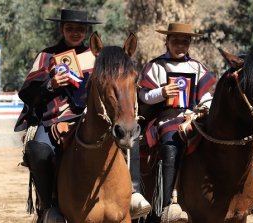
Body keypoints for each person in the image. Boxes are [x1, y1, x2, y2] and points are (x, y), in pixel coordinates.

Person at [14, 9, 150, 222]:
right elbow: (27, 92)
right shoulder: (46, 56)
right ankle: (50, 207)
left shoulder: (97, 57)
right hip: (54, 119)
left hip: (91, 116)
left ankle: (133, 193)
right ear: (62, 29)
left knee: (130, 135)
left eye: (80, 29)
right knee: (38, 149)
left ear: (86, 31)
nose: (75, 33)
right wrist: (50, 84)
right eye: (70, 28)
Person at [138, 22, 216, 222]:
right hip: (165, 117)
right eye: (176, 41)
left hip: (194, 116)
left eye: (185, 41)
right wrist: (161, 93)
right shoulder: (155, 66)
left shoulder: (197, 67)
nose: (180, 45)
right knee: (171, 142)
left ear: (189, 43)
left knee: (223, 135)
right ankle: (163, 205)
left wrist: (204, 108)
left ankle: (243, 194)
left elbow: (206, 96)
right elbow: (144, 96)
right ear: (167, 42)